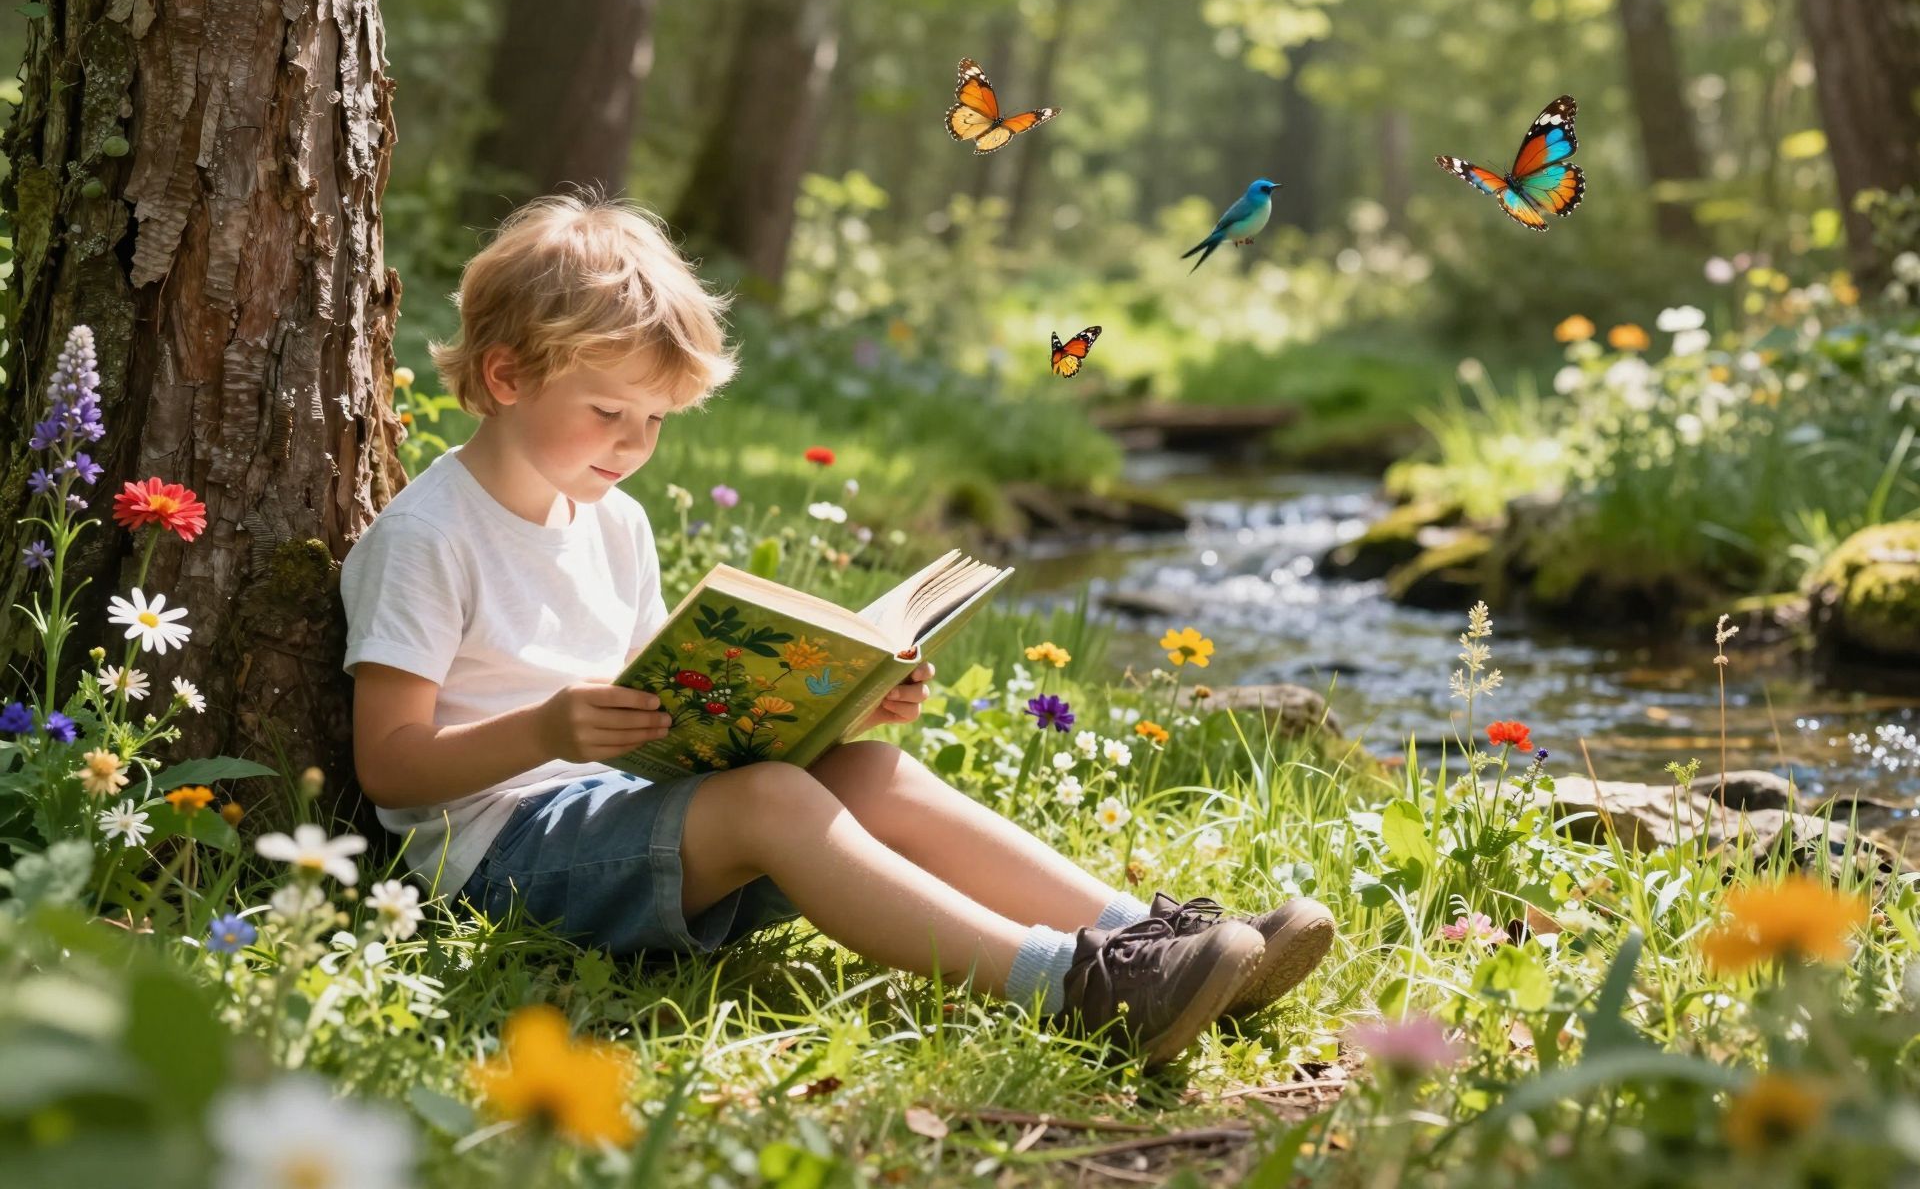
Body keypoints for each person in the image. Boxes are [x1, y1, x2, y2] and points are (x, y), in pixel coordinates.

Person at [341, 188, 1334, 1069]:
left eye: (655, 423)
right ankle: (1070, 988)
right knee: (773, 801)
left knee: (872, 774)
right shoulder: (429, 534)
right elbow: (388, 765)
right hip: (505, 858)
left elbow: (662, 698)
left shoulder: (615, 521)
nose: (633, 446)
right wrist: (545, 733)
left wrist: (832, 698)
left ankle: (1146, 944)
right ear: (508, 377)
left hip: (620, 810)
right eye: (608, 412)